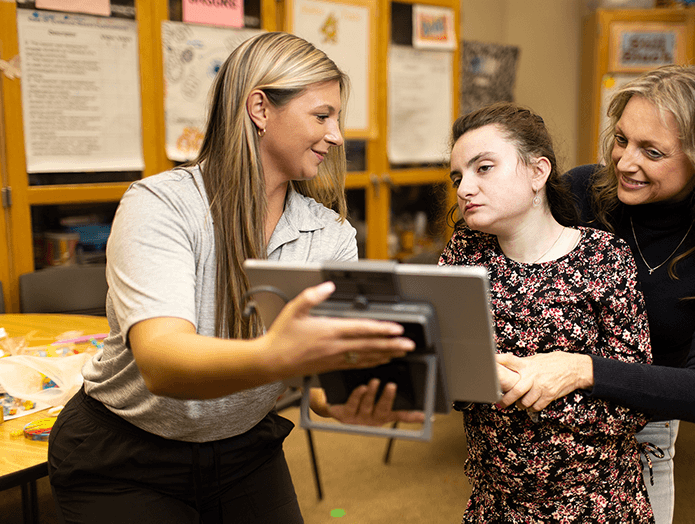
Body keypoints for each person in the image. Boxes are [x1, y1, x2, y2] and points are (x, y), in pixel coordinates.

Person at [47, 32, 423, 524]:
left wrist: (342, 400)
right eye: (322, 115)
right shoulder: (162, 206)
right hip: (125, 455)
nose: (335, 136)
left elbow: (313, 381)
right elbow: (162, 363)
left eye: (337, 119)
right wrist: (276, 354)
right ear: (260, 108)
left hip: (243, 450)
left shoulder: (329, 235)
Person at [519, 64, 695, 523]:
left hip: (641, 438)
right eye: (621, 139)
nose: (625, 161)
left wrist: (580, 370)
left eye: (652, 152)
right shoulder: (580, 193)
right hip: (538, 427)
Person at [443, 102, 654, 522]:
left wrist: (521, 384)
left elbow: (634, 401)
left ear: (538, 172)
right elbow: (455, 388)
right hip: (496, 501)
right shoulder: (463, 255)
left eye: (483, 168)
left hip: (596, 502)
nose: (464, 187)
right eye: (458, 176)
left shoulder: (604, 257)